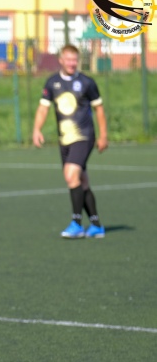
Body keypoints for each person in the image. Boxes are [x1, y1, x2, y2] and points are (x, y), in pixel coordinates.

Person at [33, 44, 108, 239]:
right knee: (81, 181)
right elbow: (43, 108)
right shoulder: (52, 82)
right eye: (68, 59)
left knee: (70, 174)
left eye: (75, 60)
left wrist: (103, 135)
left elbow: (99, 109)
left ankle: (76, 223)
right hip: (64, 139)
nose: (72, 63)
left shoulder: (87, 83)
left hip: (84, 136)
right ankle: (96, 225)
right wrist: (37, 129)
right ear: (61, 60)